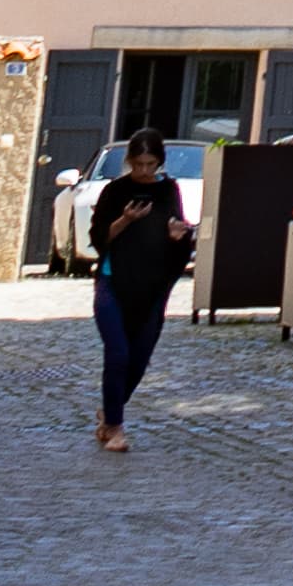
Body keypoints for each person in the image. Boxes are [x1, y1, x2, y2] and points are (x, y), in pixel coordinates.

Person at [89, 154, 195, 453]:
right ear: (130, 162)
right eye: (139, 164)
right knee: (118, 353)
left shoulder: (168, 191)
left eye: (151, 165)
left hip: (152, 288)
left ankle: (110, 413)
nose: (145, 171)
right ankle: (116, 428)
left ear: (160, 162)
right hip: (113, 282)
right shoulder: (115, 191)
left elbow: (181, 243)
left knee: (137, 360)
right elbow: (99, 238)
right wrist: (126, 219)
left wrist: (178, 236)